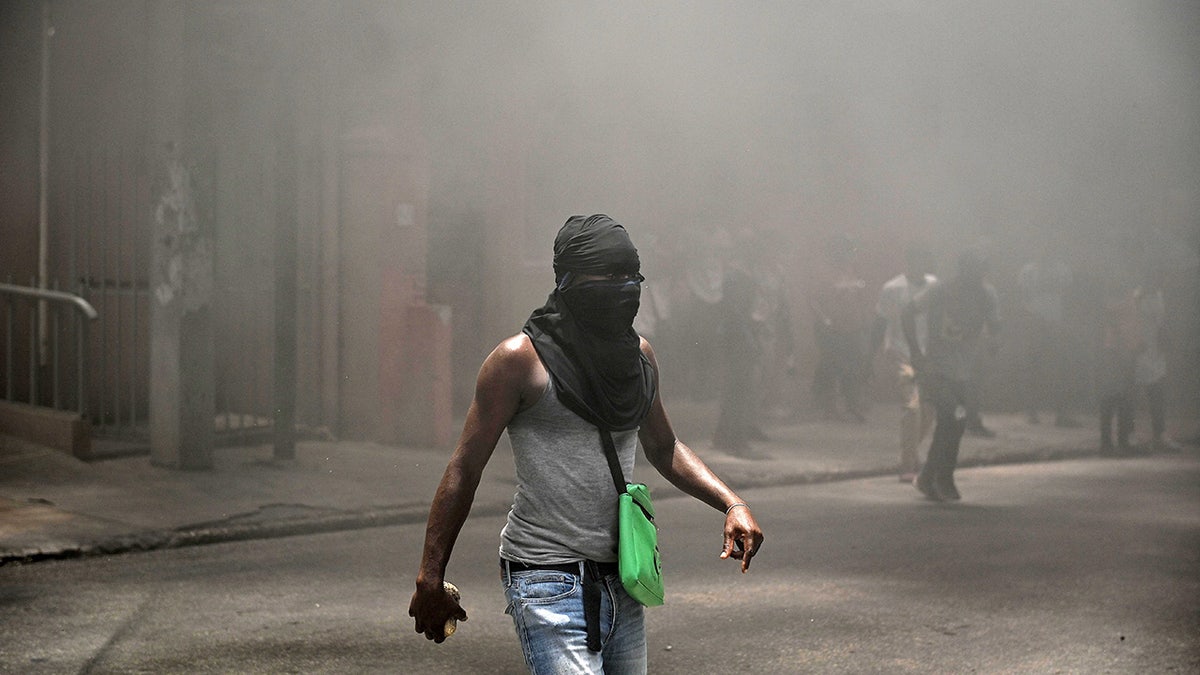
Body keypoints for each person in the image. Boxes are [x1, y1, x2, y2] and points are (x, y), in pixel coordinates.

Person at [408, 215, 765, 674]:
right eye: (609, 275)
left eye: (630, 275)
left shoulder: (638, 355)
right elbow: (465, 468)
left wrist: (732, 503)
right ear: (570, 279)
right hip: (545, 575)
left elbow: (664, 447)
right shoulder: (519, 361)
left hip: (624, 575)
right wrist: (429, 574)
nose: (624, 286)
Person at [903, 248, 1000, 501]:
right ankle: (943, 477)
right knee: (953, 418)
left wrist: (994, 341)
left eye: (981, 273)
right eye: (974, 272)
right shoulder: (941, 291)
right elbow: (907, 312)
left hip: (964, 372)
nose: (977, 278)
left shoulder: (987, 295)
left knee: (954, 424)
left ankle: (928, 477)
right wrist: (915, 352)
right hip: (936, 369)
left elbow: (995, 326)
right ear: (963, 271)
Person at [872, 244, 937, 483]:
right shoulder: (892, 288)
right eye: (916, 261)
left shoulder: (934, 286)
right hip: (901, 353)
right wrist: (874, 355)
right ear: (908, 263)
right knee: (912, 406)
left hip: (928, 356)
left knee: (929, 409)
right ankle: (907, 463)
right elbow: (880, 322)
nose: (920, 266)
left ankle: (910, 453)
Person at [809, 235, 873, 422]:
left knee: (855, 366)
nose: (851, 255)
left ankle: (852, 404)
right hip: (831, 328)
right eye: (847, 251)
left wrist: (864, 319)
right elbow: (813, 300)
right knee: (832, 366)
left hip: (854, 327)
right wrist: (825, 320)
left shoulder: (854, 271)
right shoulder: (824, 273)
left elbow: (861, 297)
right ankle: (830, 406)